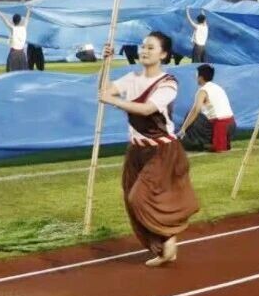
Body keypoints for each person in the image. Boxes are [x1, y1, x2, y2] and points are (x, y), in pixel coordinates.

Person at [99, 31, 200, 266]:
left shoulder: (168, 83)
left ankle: (169, 237)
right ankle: (161, 248)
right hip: (136, 150)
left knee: (140, 198)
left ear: (163, 54)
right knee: (130, 198)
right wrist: (105, 63)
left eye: (151, 47)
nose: (144, 51)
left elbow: (146, 109)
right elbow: (104, 91)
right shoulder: (131, 77)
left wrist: (113, 101)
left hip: (161, 151)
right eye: (143, 46)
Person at [178, 64, 237, 152]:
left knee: (192, 117)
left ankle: (197, 143)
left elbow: (195, 111)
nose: (195, 77)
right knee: (198, 117)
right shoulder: (218, 87)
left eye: (196, 75)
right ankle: (216, 142)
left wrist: (183, 128)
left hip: (220, 125)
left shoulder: (203, 91)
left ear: (201, 77)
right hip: (232, 126)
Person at [0, 6, 31, 72]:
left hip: (14, 53)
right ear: (20, 20)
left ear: (13, 21)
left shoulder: (13, 29)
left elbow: (5, 20)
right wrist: (29, 10)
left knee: (12, 72)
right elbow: (27, 19)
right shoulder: (24, 28)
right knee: (22, 73)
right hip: (22, 54)